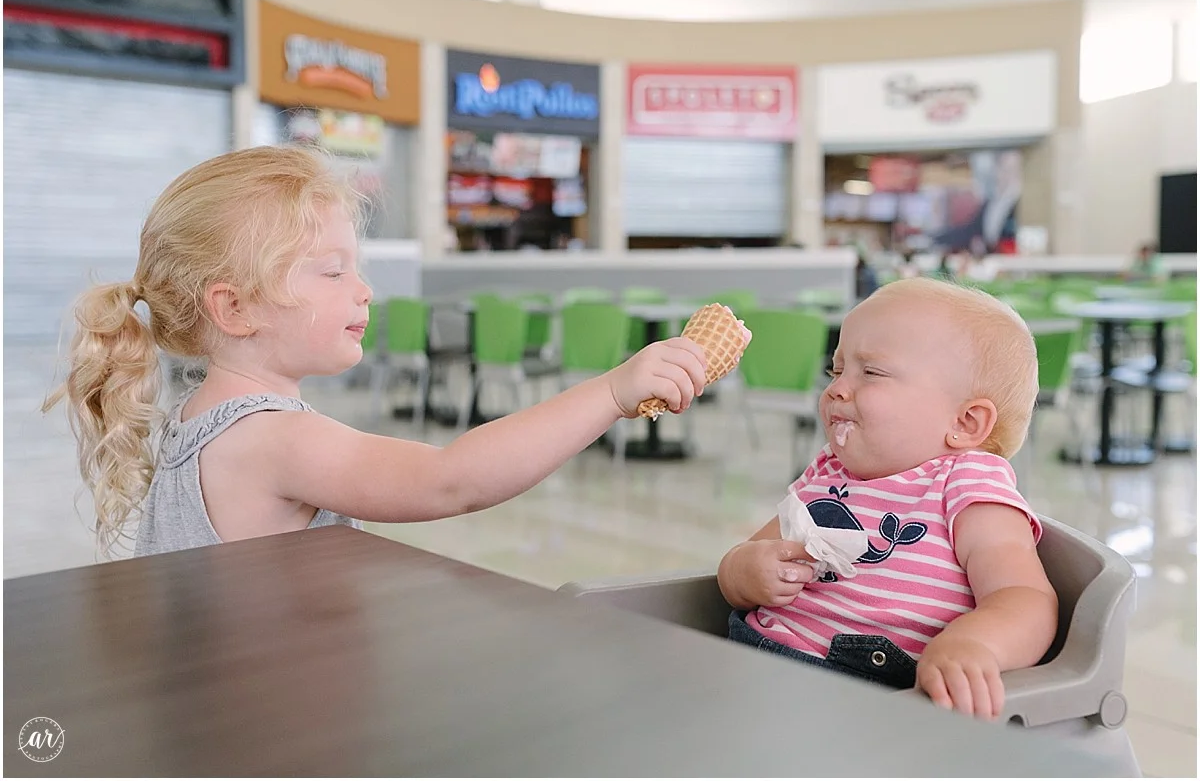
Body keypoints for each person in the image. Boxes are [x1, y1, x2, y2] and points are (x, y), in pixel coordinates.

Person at [45, 147, 707, 558]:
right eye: (333, 272)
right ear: (234, 307)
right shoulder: (272, 439)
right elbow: (454, 479)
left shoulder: (200, 418)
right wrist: (611, 392)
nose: (364, 291)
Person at [717, 277, 1056, 719]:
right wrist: (744, 573)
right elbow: (743, 559)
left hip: (864, 706)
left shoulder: (968, 485)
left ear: (967, 422)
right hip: (750, 667)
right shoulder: (827, 470)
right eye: (836, 370)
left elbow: (1025, 597)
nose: (837, 388)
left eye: (871, 372)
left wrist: (974, 644)